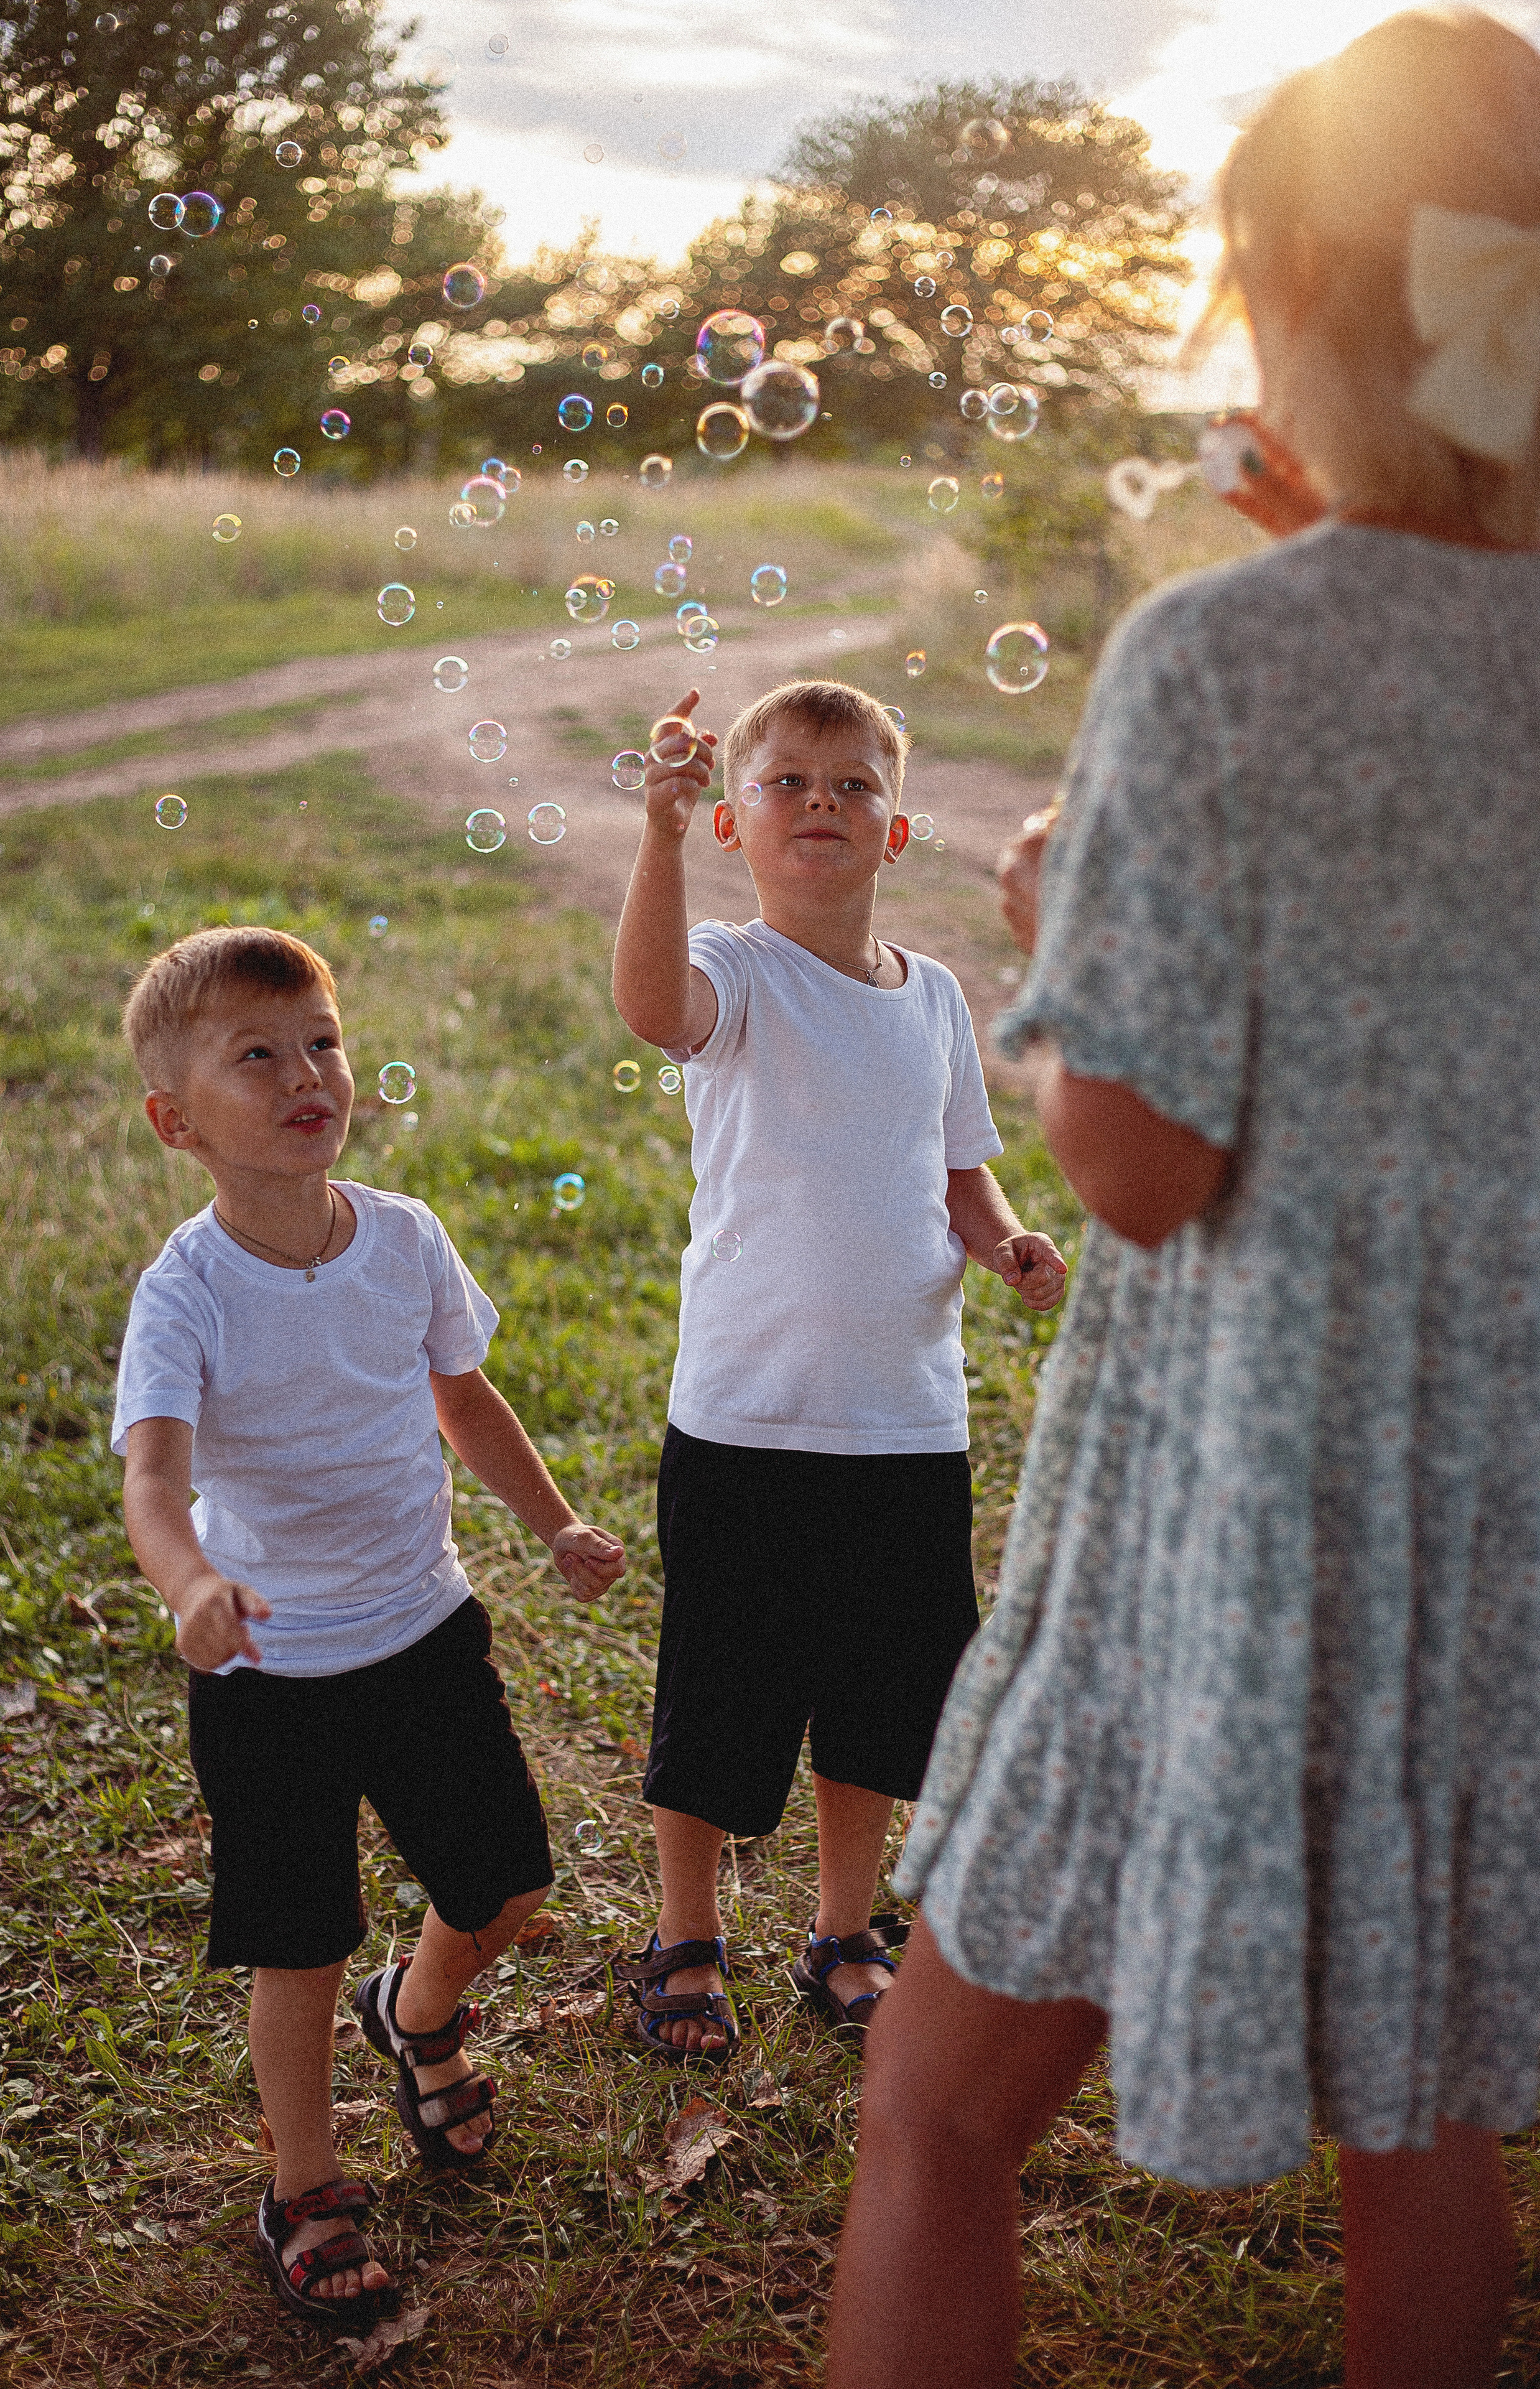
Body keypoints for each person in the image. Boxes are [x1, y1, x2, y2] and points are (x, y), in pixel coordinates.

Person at [827, 16, 1540, 2389]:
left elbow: (1146, 1169)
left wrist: (1067, 954)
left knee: (930, 2119)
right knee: (1421, 2108)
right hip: (1494, 1507)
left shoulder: (1218, 665)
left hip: (1247, 1499)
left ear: (1302, 304)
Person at [112, 926, 624, 2327]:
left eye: (322, 1042)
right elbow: (153, 1477)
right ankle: (307, 2184)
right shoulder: (187, 1293)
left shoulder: (403, 1241)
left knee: (508, 1889)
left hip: (421, 1632)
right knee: (298, 1941)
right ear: (177, 1123)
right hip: (271, 1672)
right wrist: (191, 1588)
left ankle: (420, 2009)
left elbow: (465, 1402)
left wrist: (555, 1522)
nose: (307, 1075)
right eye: (257, 1055)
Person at [609, 678, 1067, 2059]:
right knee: (719, 1693)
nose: (822, 802)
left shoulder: (929, 998)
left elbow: (957, 1168)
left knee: (877, 1698)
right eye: (787, 783)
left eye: (852, 784)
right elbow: (647, 1007)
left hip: (902, 1425)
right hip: (748, 1420)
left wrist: (1001, 1241)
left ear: (899, 829)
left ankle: (841, 1927)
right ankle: (686, 1931)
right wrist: (655, 835)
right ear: (738, 829)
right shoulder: (735, 976)